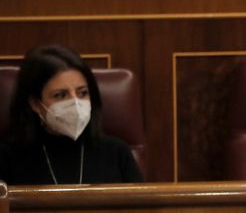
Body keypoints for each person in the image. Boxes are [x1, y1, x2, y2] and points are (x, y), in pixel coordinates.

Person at [0, 44, 143, 185]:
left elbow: (140, 206)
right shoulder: (7, 158)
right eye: (60, 95)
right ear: (35, 104)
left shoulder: (116, 153)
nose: (75, 103)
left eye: (82, 93)